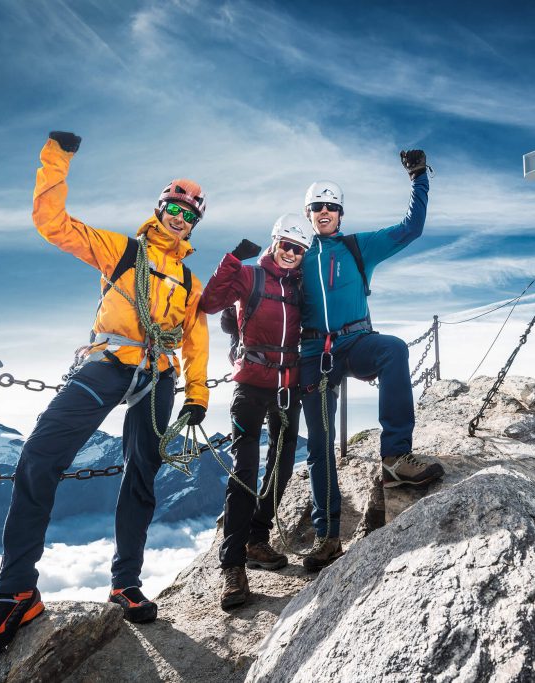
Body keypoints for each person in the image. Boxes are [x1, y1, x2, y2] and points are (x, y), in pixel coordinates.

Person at [0, 131, 210, 661]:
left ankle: (126, 584)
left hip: (158, 376)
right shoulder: (121, 250)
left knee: (141, 476)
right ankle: (17, 592)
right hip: (108, 363)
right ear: (160, 209)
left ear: (194, 224)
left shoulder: (190, 282)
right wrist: (57, 158)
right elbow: (52, 223)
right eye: (173, 208)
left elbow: (195, 339)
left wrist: (197, 395)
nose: (179, 218)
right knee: (39, 456)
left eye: (188, 214)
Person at [298, 150, 445, 572]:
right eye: (317, 207)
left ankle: (395, 458)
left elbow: (411, 229)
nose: (324, 212)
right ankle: (327, 537)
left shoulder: (357, 247)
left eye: (331, 206)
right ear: (308, 214)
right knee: (320, 444)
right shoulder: (297, 255)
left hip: (356, 342)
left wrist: (418, 178)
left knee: (393, 349)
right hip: (313, 354)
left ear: (340, 213)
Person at [199, 214, 311, 609]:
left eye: (299, 249)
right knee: (244, 471)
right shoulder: (249, 276)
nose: (291, 253)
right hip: (249, 384)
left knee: (282, 464)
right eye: (287, 245)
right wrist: (231, 260)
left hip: (287, 387)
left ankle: (257, 539)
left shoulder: (300, 286)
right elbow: (210, 302)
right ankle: (232, 567)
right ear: (274, 242)